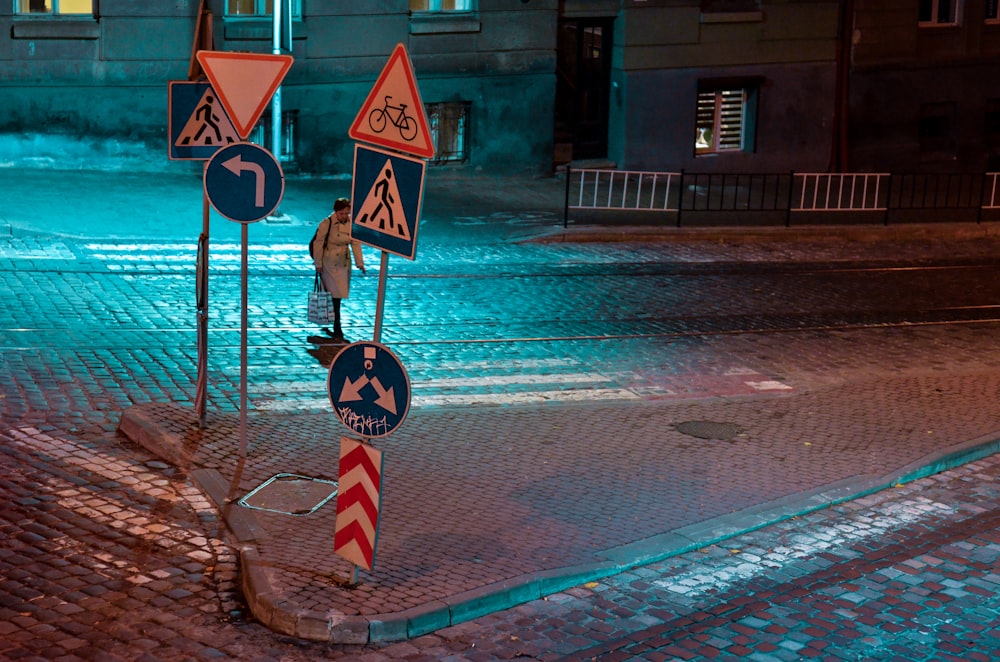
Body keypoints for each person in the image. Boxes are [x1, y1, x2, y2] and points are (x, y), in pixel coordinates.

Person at [310, 197, 365, 341]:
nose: (345, 216)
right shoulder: (326, 223)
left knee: (337, 296)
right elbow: (318, 243)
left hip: (343, 263)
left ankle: (333, 324)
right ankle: (337, 327)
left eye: (347, 213)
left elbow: (355, 243)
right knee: (335, 297)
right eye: (342, 213)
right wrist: (318, 263)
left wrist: (360, 262)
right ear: (336, 211)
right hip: (329, 263)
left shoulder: (350, 224)